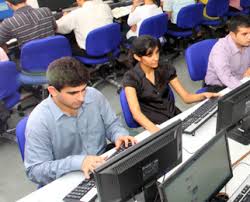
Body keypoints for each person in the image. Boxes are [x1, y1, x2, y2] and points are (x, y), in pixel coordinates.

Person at [24, 57, 136, 186]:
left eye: (83, 89)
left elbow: (112, 125)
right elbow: (35, 170)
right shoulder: (39, 121)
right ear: (53, 91)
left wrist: (118, 135)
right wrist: (79, 162)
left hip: (102, 164)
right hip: (68, 178)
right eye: (73, 93)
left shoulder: (93, 95)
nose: (81, 98)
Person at [123, 35, 219, 134]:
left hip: (176, 118)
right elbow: (137, 114)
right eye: (149, 55)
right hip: (155, 127)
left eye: (157, 52)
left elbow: (186, 97)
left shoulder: (165, 68)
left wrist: (204, 95)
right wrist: (159, 133)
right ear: (137, 57)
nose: (156, 58)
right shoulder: (131, 78)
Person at [205, 15, 250, 92]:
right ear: (232, 34)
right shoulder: (220, 50)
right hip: (220, 85)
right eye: (244, 34)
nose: (249, 37)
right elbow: (226, 78)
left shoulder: (246, 42)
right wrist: (246, 89)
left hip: (242, 78)